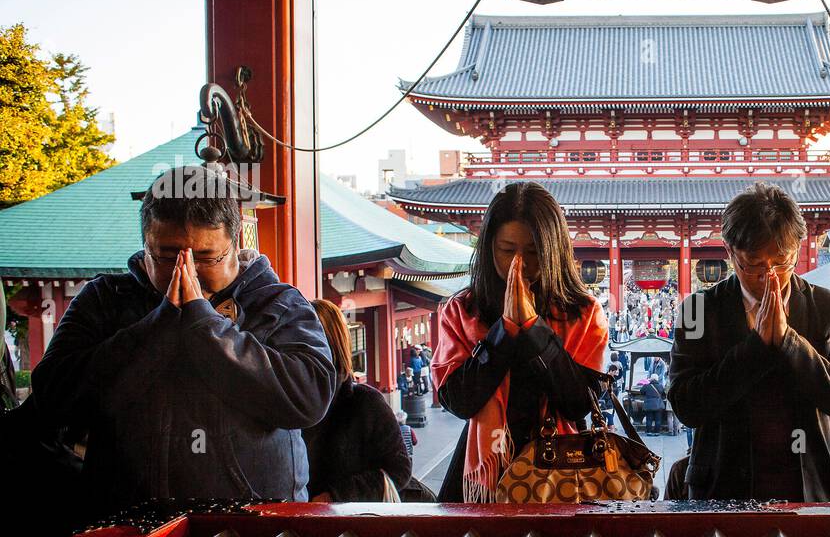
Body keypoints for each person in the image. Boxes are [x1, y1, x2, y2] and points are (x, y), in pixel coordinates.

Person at [29, 165, 335, 515]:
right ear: (145, 246)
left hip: (255, 522)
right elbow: (52, 397)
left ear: (235, 245)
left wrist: (205, 325)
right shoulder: (104, 300)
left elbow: (309, 399)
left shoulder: (279, 303)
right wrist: (158, 326)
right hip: (127, 524)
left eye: (206, 257)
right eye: (167, 255)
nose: (186, 271)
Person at [669, 182, 830, 502]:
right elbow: (686, 405)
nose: (769, 276)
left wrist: (789, 342)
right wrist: (756, 348)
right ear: (730, 253)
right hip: (723, 485)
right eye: (755, 265)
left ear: (798, 251)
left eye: (781, 263)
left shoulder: (829, 307)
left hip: (814, 484)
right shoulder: (698, 311)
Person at [431, 182, 609, 503]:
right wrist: (504, 331)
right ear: (489, 248)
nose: (519, 263)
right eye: (506, 249)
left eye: (531, 251)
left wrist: (533, 329)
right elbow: (458, 401)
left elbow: (579, 403)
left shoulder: (583, 312)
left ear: (553, 249)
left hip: (561, 470)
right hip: (485, 472)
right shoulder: (461, 310)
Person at [303, 299, 412, 503]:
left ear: (331, 343)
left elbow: (399, 469)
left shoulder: (365, 403)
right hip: (294, 521)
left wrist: (335, 497)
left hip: (351, 525)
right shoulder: (283, 403)